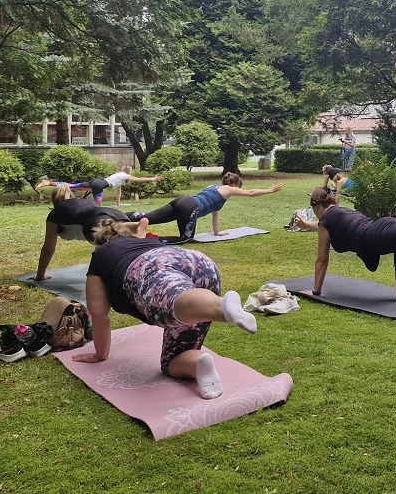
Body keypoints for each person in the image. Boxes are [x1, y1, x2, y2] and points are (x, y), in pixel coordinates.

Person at [71, 218, 258, 399]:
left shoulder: (102, 254)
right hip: (197, 261)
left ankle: (220, 307)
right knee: (172, 360)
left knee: (171, 304)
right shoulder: (145, 241)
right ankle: (199, 364)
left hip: (150, 266)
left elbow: (98, 312)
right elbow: (142, 223)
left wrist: (100, 355)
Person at [137, 173, 284, 242]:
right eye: (238, 187)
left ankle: (127, 222)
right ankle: (151, 239)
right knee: (186, 239)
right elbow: (251, 193)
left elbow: (215, 214)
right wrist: (270, 190)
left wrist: (216, 233)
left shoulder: (212, 187)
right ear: (234, 184)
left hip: (183, 201)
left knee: (150, 217)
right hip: (190, 208)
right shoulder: (229, 189)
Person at [32, 184, 134, 281]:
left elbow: (48, 248)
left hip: (96, 221)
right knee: (126, 246)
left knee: (108, 256)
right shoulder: (86, 202)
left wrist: (40, 275)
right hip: (118, 215)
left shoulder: (56, 212)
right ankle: (137, 225)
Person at [37, 166, 163, 206]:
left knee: (73, 186)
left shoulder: (119, 177)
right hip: (100, 185)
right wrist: (153, 178)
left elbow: (118, 192)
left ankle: (48, 183)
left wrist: (118, 204)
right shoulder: (124, 175)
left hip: (96, 182)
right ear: (129, 172)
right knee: (97, 206)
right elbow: (139, 179)